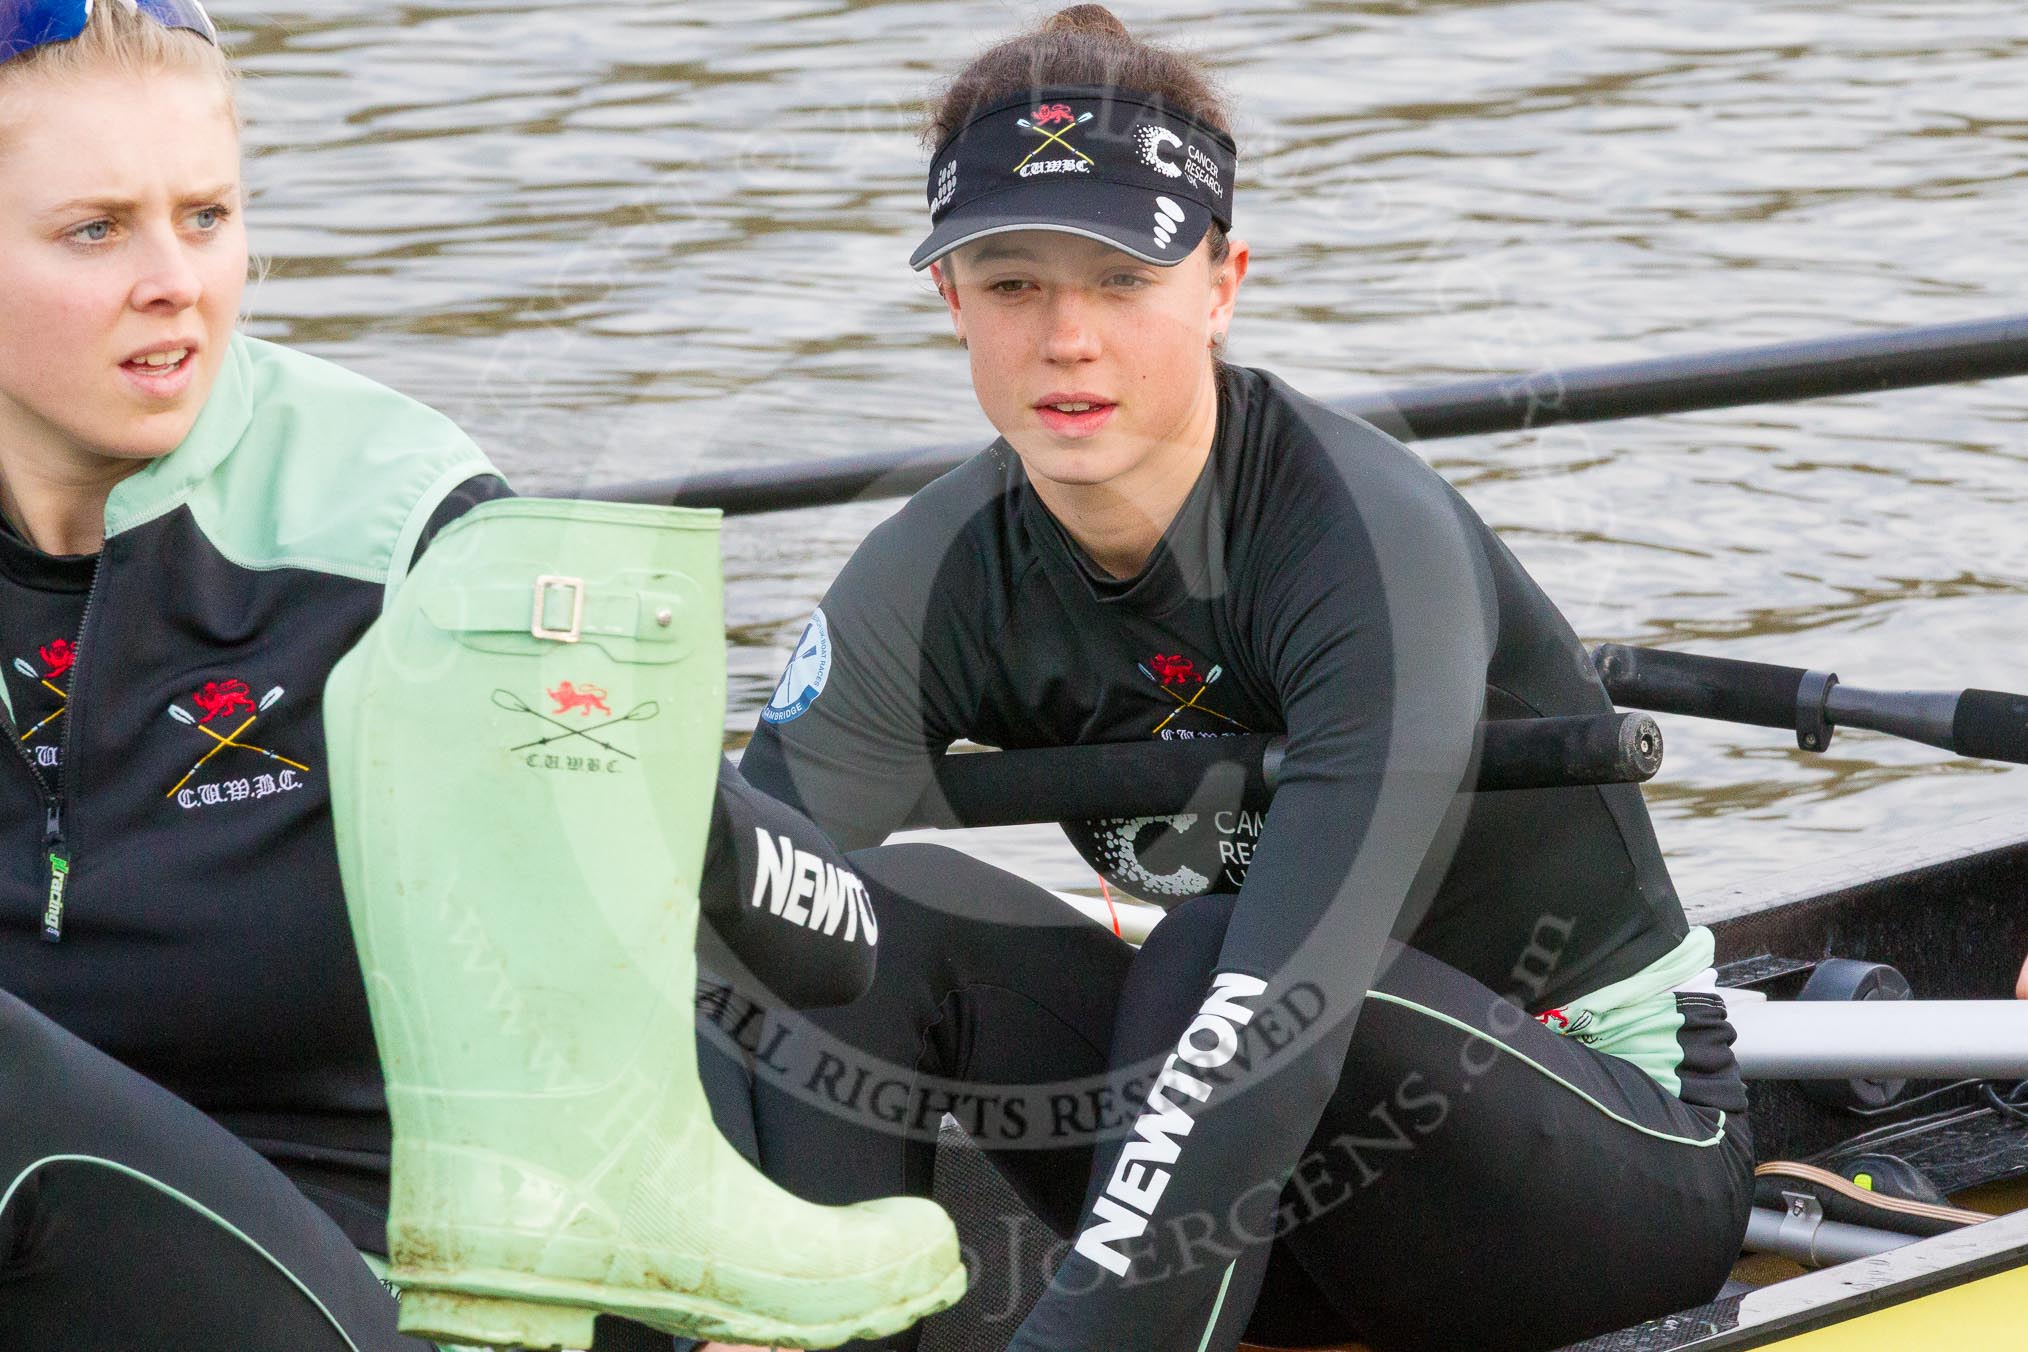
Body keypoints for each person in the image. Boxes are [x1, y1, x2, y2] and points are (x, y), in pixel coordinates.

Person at [736, 7, 1757, 1350]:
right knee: (849, 913)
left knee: (1225, 953)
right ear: (951, 303)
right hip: (1264, 1198)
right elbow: (727, 926)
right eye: (1012, 283)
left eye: (1119, 280)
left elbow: (1283, 1003)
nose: (1066, 339)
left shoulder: (1361, 539)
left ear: (1220, 284)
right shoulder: (932, 575)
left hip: (1597, 1168)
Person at [0, 5, 931, 1347]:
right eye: (98, 230)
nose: (177, 282)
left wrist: (641, 783)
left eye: (207, 216)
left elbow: (843, 944)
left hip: (369, 1281)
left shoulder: (391, 524)